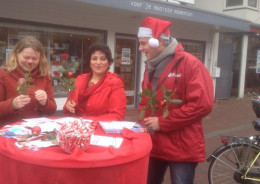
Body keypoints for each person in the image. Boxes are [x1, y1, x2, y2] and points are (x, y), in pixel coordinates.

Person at [137, 16, 214, 184]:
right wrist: (143, 124)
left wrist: (163, 122)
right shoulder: (150, 66)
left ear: (158, 41)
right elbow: (145, 101)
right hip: (154, 145)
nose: (140, 48)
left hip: (181, 149)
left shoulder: (190, 64)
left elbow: (202, 105)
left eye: (143, 43)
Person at [0, 36, 57, 130]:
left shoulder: (44, 76)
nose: (30, 61)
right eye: (26, 57)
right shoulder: (2, 75)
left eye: (35, 58)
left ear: (40, 58)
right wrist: (12, 104)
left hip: (34, 132)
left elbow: (51, 110)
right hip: (9, 133)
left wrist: (45, 102)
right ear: (16, 54)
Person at [63, 43, 127, 121]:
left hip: (99, 130)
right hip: (78, 128)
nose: (98, 62)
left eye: (103, 59)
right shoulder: (79, 79)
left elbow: (117, 115)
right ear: (90, 62)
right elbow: (66, 109)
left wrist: (88, 121)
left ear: (108, 62)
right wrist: (68, 107)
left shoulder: (115, 83)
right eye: (94, 58)